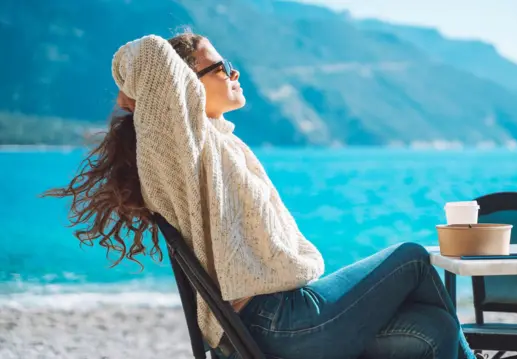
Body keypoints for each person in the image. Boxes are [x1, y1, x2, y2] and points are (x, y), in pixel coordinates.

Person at [45, 32, 479, 359]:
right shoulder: (184, 147)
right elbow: (153, 54)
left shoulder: (217, 144)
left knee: (435, 327)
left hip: (281, 321)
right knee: (414, 258)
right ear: (184, 87)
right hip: (277, 323)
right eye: (221, 65)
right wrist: (133, 84)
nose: (234, 73)